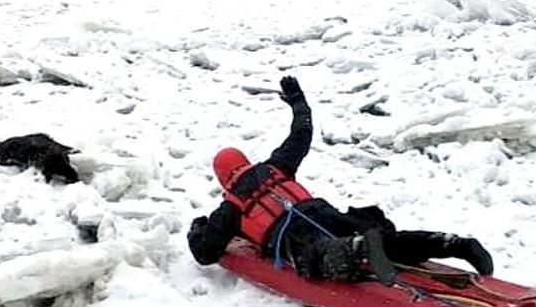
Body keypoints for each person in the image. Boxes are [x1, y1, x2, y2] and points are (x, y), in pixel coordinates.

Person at [186, 76, 494, 283]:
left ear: (224, 179)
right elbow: (301, 134)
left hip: (289, 234)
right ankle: (453, 244)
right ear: (245, 162)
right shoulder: (275, 167)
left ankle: (358, 249)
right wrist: (298, 103)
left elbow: (206, 251)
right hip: (321, 211)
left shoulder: (230, 208)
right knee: (385, 240)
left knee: (315, 258)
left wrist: (198, 226)